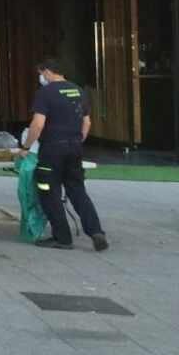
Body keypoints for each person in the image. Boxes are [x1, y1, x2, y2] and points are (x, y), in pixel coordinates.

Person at [27, 58, 108, 251]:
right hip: (74, 148)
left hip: (52, 149)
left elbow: (38, 124)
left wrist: (26, 146)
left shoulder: (45, 93)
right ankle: (96, 232)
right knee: (77, 190)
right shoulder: (78, 91)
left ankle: (62, 238)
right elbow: (86, 123)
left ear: (47, 71)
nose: (40, 77)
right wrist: (76, 142)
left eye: (40, 73)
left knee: (48, 191)